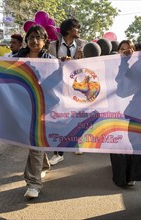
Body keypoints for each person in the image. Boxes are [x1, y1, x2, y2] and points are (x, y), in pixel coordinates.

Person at [14, 24, 55, 199]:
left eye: (38, 37)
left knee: (35, 142)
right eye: (31, 37)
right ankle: (43, 165)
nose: (34, 40)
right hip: (23, 105)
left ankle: (33, 184)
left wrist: (67, 63)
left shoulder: (51, 60)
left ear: (45, 41)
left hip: (44, 105)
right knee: (35, 142)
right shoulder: (16, 58)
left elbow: (60, 79)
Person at [48, 18, 88, 165]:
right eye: (76, 28)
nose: (78, 31)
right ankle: (59, 152)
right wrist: (60, 62)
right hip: (58, 87)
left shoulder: (84, 45)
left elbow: (92, 63)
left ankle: (77, 141)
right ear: (68, 30)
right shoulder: (53, 46)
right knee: (59, 118)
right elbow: (48, 64)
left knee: (77, 117)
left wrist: (81, 60)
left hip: (77, 87)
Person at [110, 39, 141, 188]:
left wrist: (126, 62)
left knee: (135, 141)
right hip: (115, 109)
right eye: (121, 49)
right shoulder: (110, 64)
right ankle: (120, 176)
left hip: (135, 109)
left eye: (128, 48)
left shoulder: (139, 65)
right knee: (117, 141)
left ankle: (133, 175)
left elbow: (130, 84)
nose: (125, 51)